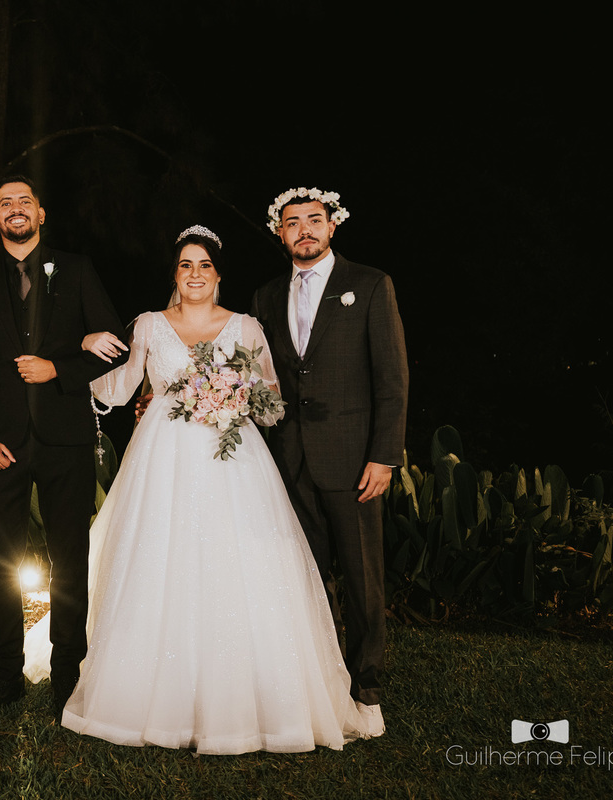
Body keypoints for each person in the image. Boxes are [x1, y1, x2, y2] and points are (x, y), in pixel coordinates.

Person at [24, 225, 373, 754]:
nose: (195, 274)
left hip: (233, 462)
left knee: (238, 565)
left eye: (204, 265)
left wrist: (234, 396)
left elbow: (272, 400)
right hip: (161, 461)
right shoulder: (148, 324)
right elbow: (117, 388)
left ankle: (244, 694)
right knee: (159, 561)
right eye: (186, 265)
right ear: (175, 273)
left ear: (218, 274)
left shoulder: (246, 327)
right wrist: (79, 347)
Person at [0, 176, 129, 721]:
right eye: (5, 203)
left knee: (69, 559)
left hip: (65, 440)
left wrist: (60, 369)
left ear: (41, 213)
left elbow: (116, 346)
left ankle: (68, 672)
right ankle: (5, 674)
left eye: (24, 201)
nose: (15, 209)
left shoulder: (76, 269)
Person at [250, 187, 408, 737]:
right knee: (306, 579)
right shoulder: (266, 295)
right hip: (289, 461)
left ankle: (367, 689)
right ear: (280, 233)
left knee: (363, 581)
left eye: (314, 220)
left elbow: (392, 378)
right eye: (293, 222)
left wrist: (384, 455)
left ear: (332, 225)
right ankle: (318, 683)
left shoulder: (370, 284)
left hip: (353, 459)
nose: (305, 230)